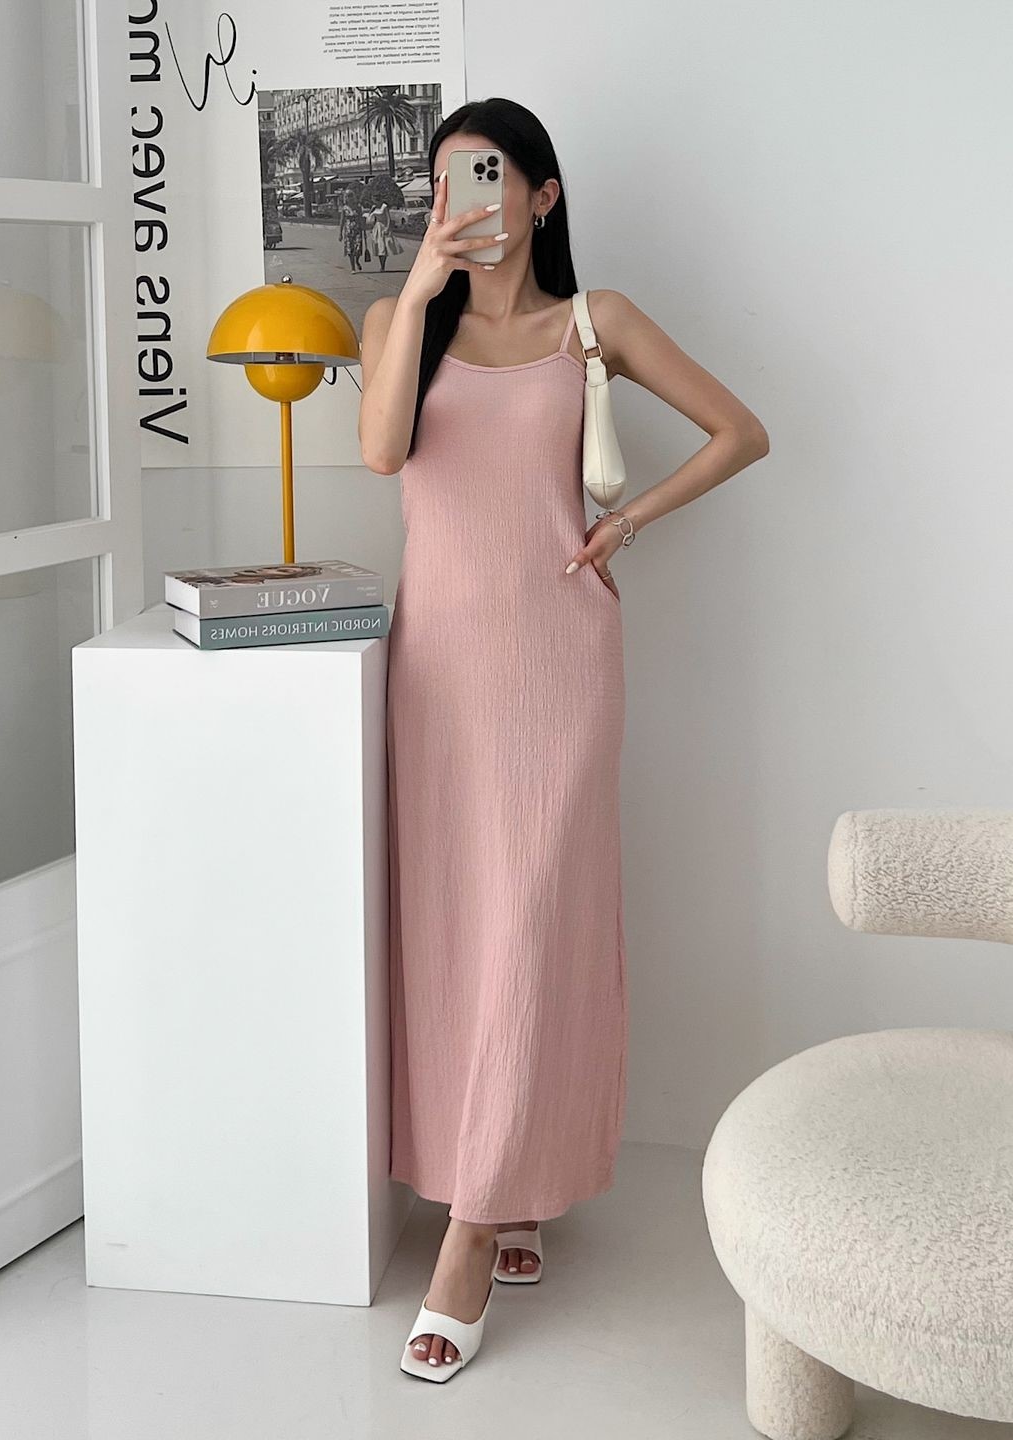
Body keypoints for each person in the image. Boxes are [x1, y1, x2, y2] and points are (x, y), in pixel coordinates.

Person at [358, 97, 769, 1382]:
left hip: (560, 666)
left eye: (487, 176)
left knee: (535, 921)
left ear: (541, 195)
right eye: (443, 183)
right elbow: (379, 455)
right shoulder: (397, 325)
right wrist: (420, 286)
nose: (463, 200)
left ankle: (473, 1231)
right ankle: (511, 1182)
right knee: (460, 932)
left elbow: (742, 432)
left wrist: (627, 521)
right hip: (437, 673)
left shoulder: (597, 324)